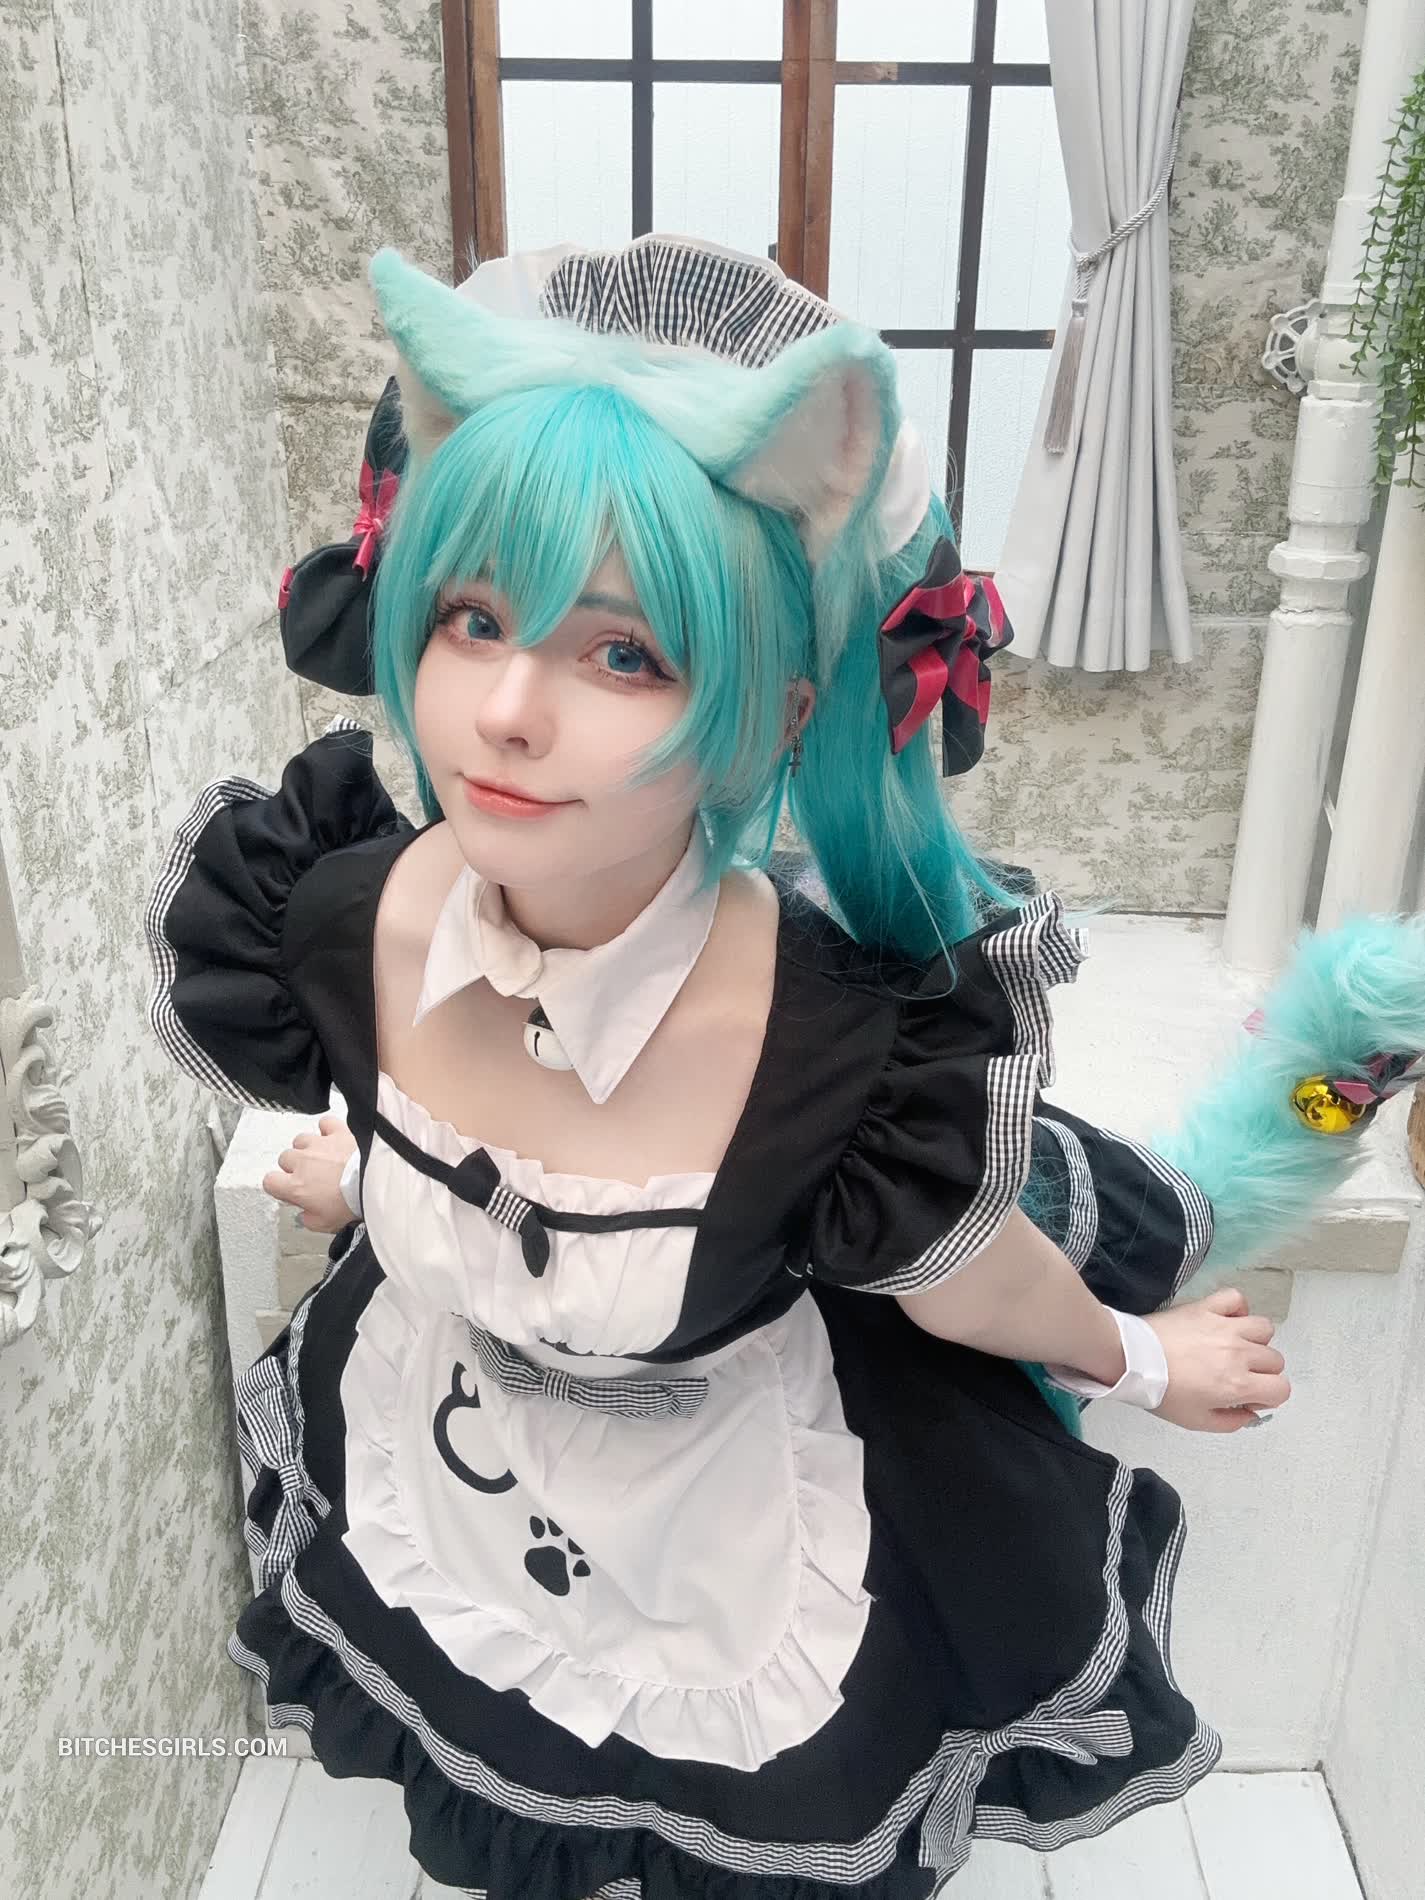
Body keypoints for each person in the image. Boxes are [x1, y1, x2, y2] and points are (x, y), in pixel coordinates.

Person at [146, 236, 1424, 1899]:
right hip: (451, 1454)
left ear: (775, 708)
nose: (507, 709)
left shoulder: (830, 1040)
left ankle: (1345, 1059)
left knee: (741, 1803)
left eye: (625, 654)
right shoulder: (325, 913)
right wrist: (380, 1180)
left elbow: (963, 1281)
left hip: (736, 1499)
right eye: (471, 618)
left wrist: (1134, 1359)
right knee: (520, 1770)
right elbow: (443, 1117)